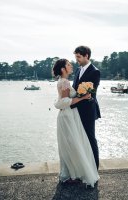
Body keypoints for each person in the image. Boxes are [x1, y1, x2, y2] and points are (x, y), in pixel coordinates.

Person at [53, 58, 99, 188]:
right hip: (67, 116)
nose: (71, 66)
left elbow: (65, 100)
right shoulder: (65, 82)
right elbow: (66, 102)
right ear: (63, 69)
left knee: (69, 145)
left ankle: (70, 174)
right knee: (72, 145)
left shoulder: (62, 81)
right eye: (68, 65)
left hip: (68, 115)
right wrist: (83, 97)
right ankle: (70, 175)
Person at [71, 45, 101, 169]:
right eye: (76, 57)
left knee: (90, 138)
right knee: (80, 140)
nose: (76, 59)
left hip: (88, 111)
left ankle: (94, 168)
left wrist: (71, 101)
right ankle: (84, 166)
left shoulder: (95, 71)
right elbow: (75, 88)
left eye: (78, 57)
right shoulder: (78, 70)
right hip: (76, 111)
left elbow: (91, 93)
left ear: (86, 56)